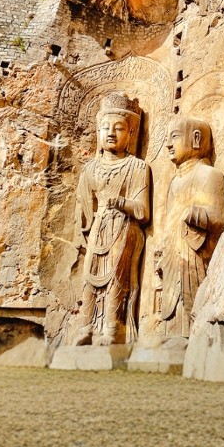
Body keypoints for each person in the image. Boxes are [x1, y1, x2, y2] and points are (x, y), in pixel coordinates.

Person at [74, 93, 151, 345]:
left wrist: (122, 203)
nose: (111, 133)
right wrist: (82, 230)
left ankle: (112, 328)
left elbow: (143, 211)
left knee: (117, 274)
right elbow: (83, 209)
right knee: (89, 275)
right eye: (105, 127)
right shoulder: (90, 169)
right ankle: (85, 327)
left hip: (124, 227)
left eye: (119, 128)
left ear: (131, 134)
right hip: (98, 228)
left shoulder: (137, 167)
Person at [156, 117, 224, 337]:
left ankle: (194, 337)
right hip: (173, 254)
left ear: (196, 139)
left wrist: (196, 213)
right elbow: (169, 221)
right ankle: (172, 336)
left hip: (196, 254)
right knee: (171, 303)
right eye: (167, 139)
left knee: (193, 300)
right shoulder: (174, 183)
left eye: (174, 137)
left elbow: (220, 218)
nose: (168, 144)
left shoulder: (209, 175)